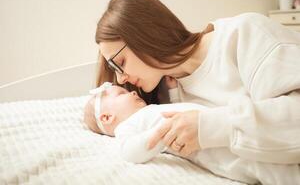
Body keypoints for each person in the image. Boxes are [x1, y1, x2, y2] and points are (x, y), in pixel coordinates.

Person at [94, 0, 300, 165]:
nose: (120, 80)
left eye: (119, 63)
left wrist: (206, 127)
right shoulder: (163, 99)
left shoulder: (244, 34)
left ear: (144, 34)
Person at [84, 82, 300, 185]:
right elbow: (130, 152)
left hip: (215, 129)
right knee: (262, 167)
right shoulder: (128, 127)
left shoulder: (151, 110)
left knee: (267, 147)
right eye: (122, 93)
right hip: (212, 150)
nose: (132, 91)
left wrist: (173, 92)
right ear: (107, 118)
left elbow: (181, 108)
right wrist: (161, 134)